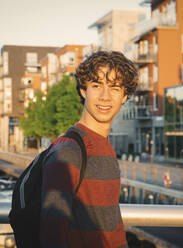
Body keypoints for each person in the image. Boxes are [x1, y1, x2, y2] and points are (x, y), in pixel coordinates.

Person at [39, 51, 138, 248]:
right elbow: (51, 237)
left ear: (125, 96)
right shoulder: (68, 153)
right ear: (84, 91)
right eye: (96, 85)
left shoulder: (105, 149)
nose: (105, 96)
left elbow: (111, 226)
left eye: (115, 88)